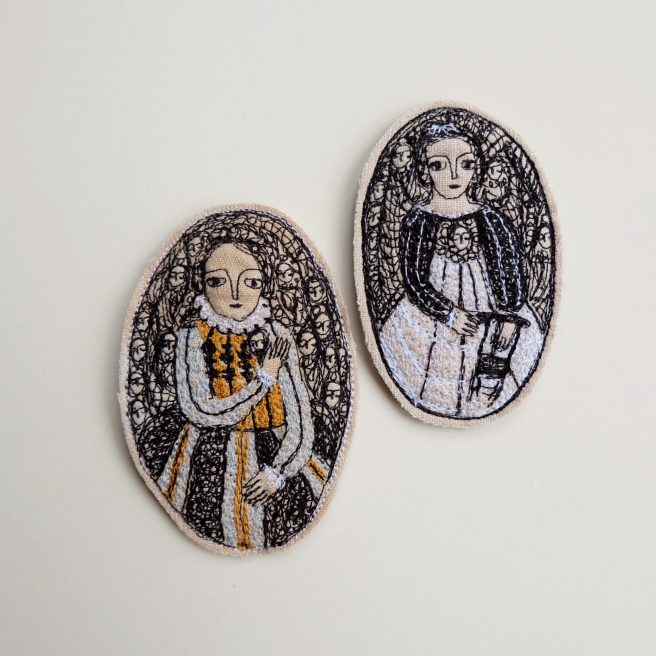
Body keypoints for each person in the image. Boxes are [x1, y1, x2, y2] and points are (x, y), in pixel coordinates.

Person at [155, 241, 327, 550]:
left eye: (251, 282)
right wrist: (263, 380)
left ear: (265, 285)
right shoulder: (192, 338)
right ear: (201, 284)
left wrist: (278, 472)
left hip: (278, 449)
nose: (235, 293)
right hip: (206, 452)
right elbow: (202, 411)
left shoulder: (277, 335)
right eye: (217, 281)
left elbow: (300, 419)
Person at [379, 123, 544, 418]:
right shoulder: (419, 221)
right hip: (433, 313)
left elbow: (510, 269)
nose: (454, 175)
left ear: (476, 169)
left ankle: (484, 395)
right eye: (439, 165)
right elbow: (413, 280)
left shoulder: (491, 219)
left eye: (465, 164)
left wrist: (508, 317)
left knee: (492, 368)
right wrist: (450, 315)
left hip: (490, 310)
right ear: (424, 172)